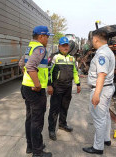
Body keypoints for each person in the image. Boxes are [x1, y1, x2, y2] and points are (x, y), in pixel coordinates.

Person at [20, 25, 53, 157]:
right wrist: (37, 84)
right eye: (47, 37)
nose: (48, 40)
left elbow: (21, 64)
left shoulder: (30, 47)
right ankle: (38, 152)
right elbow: (30, 66)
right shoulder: (40, 49)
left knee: (30, 118)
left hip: (26, 88)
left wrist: (27, 79)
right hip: (35, 90)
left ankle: (31, 146)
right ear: (41, 36)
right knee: (37, 121)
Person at [82, 29, 115, 155]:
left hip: (101, 89)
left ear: (96, 39)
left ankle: (98, 147)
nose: (92, 42)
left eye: (92, 40)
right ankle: (106, 139)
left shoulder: (102, 54)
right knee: (105, 115)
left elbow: (101, 74)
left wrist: (96, 94)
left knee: (99, 119)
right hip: (107, 87)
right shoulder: (108, 51)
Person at [47, 37, 81, 141]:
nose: (66, 47)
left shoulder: (72, 58)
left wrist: (78, 84)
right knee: (54, 109)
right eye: (63, 45)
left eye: (67, 45)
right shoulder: (54, 57)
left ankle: (62, 124)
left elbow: (75, 72)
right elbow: (48, 72)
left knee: (65, 107)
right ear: (59, 46)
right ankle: (51, 129)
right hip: (56, 87)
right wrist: (49, 85)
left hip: (68, 87)